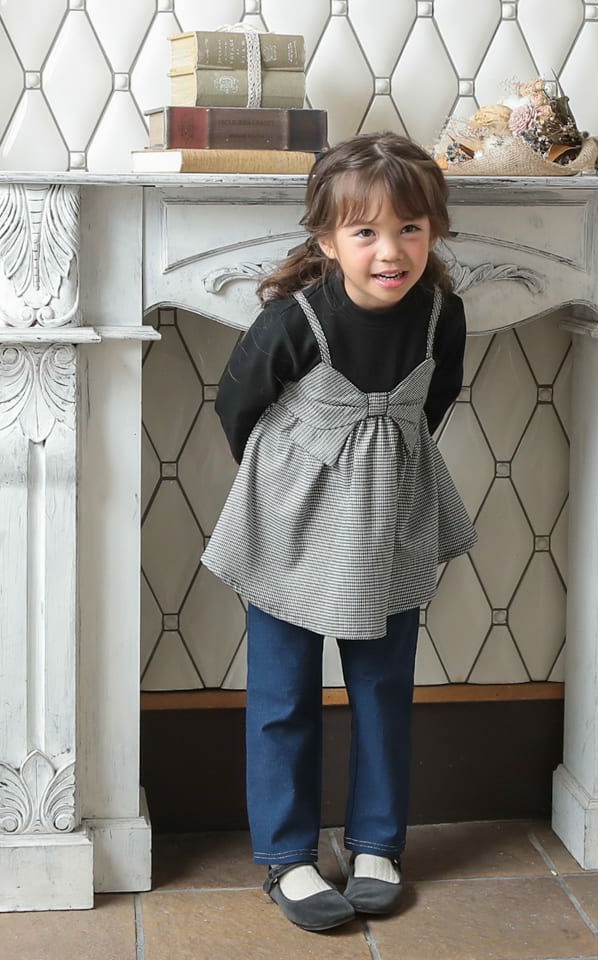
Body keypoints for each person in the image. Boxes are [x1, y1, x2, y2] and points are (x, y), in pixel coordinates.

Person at [202, 131, 477, 932]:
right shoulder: (293, 321)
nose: (391, 251)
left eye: (410, 229)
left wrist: (376, 468)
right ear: (327, 240)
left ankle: (376, 845)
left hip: (390, 519)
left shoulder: (443, 316)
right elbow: (237, 404)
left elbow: (434, 403)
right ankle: (287, 857)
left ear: (434, 232)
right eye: (366, 232)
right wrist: (293, 480)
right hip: (289, 524)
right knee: (283, 691)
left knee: (384, 686)